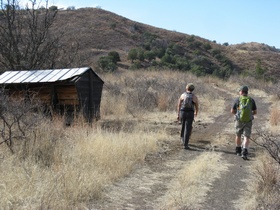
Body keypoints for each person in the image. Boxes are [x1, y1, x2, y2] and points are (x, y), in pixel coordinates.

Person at [231, 85, 257, 158]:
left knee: (238, 135)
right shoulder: (251, 100)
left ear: (241, 92)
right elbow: (255, 112)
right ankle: (244, 150)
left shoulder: (237, 100)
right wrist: (250, 114)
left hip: (239, 120)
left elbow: (232, 111)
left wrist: (237, 114)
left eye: (239, 91)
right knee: (246, 136)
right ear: (246, 92)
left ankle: (238, 150)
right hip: (248, 121)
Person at [177, 83, 199, 149]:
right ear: (193, 89)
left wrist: (178, 114)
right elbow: (197, 106)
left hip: (183, 112)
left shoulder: (183, 95)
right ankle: (185, 144)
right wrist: (196, 112)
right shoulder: (194, 97)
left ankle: (182, 139)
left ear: (186, 88)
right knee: (188, 128)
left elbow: (179, 105)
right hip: (190, 113)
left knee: (183, 126)